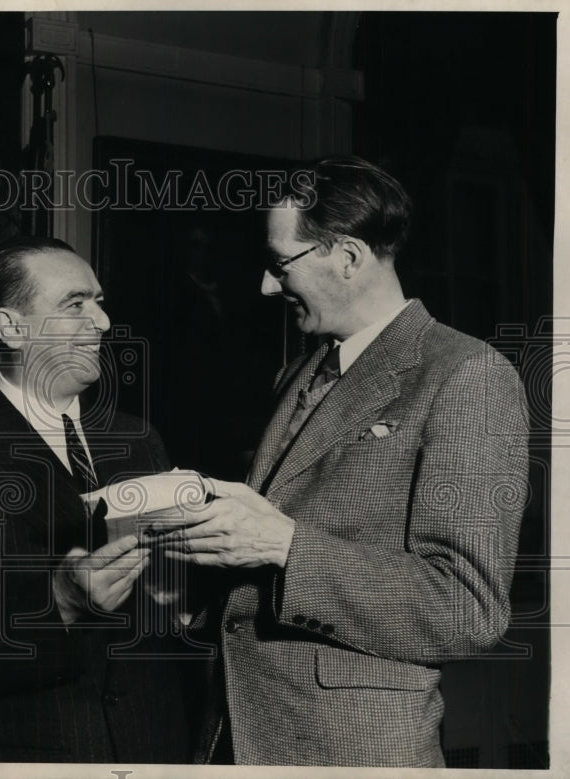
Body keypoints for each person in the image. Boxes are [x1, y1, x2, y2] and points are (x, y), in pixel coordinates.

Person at [157, 157, 529, 766]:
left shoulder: (468, 375)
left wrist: (286, 546)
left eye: (281, 266)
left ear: (349, 257)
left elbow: (468, 608)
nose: (266, 286)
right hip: (240, 735)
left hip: (350, 750)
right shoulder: (299, 372)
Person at [0, 236, 192, 763]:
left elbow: (167, 619)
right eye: (75, 304)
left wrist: (189, 594)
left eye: (99, 302)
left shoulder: (140, 440)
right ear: (12, 328)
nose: (101, 322)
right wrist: (58, 601)